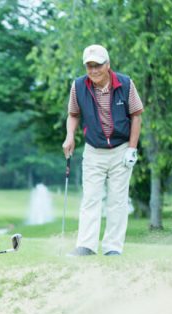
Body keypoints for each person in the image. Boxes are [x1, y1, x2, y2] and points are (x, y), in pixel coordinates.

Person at [62, 44, 144, 256]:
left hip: (121, 149)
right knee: (91, 198)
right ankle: (86, 246)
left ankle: (113, 248)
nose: (94, 70)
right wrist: (70, 136)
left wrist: (132, 149)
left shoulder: (125, 84)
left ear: (107, 65)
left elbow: (136, 114)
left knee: (118, 201)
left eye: (98, 65)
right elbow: (73, 114)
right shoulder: (78, 86)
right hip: (94, 150)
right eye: (89, 66)